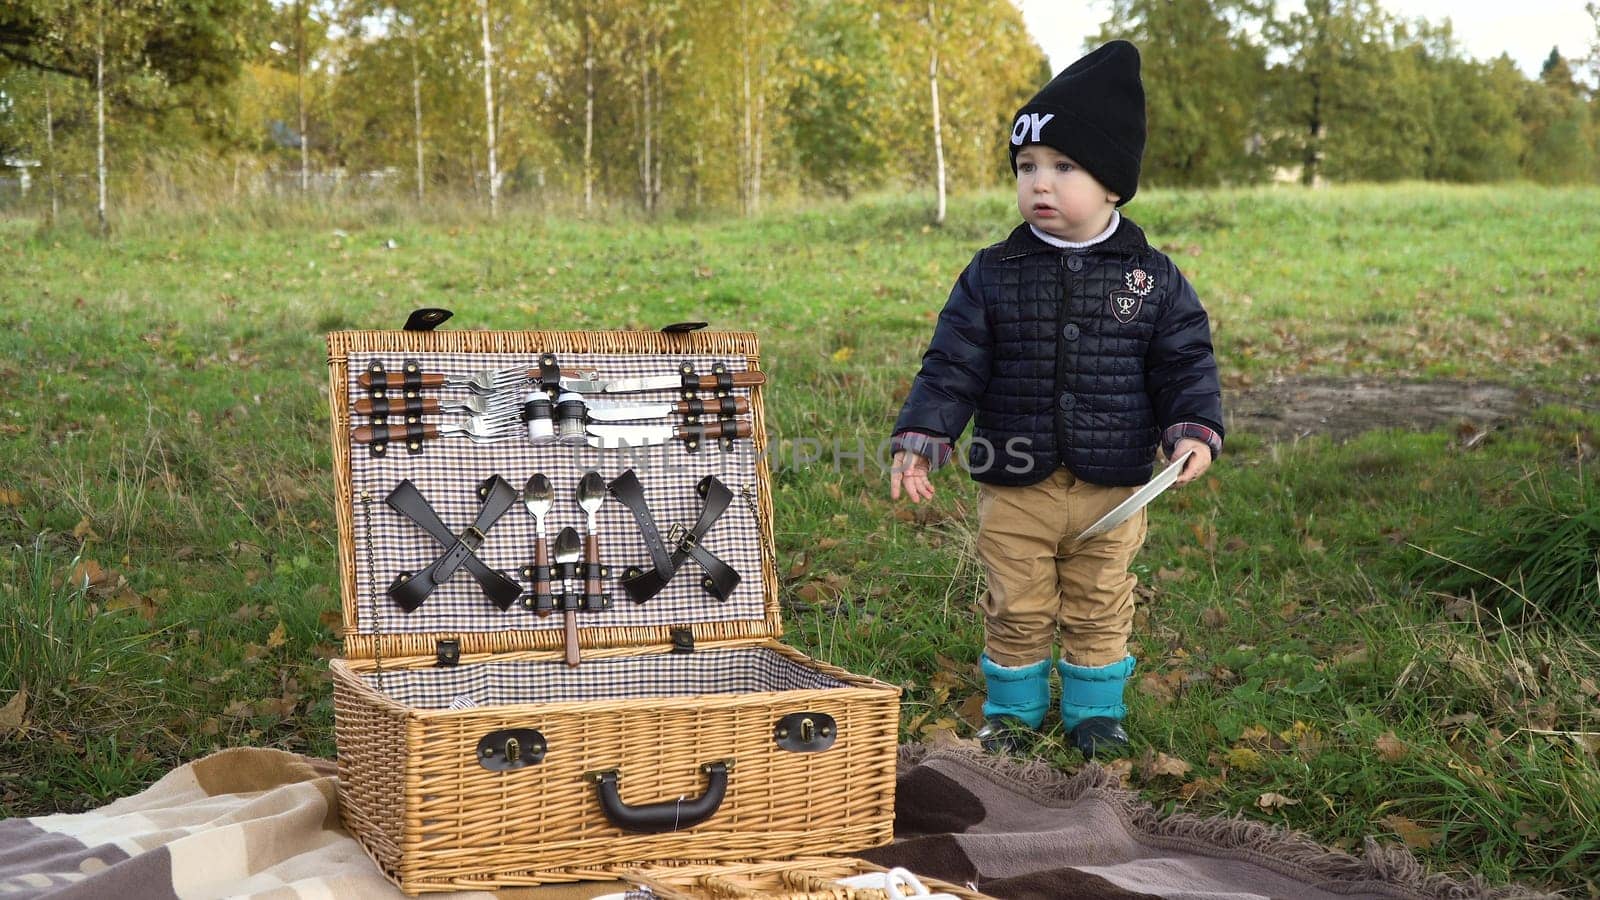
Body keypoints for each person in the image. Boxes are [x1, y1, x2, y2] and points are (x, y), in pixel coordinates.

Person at [888, 40, 1224, 758]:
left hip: (1113, 485)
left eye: (1063, 166)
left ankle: (1095, 715)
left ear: (1112, 184)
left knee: (1101, 600)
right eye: (1027, 167)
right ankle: (1012, 712)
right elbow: (952, 364)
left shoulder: (1150, 277)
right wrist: (924, 434)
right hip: (1016, 483)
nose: (1040, 182)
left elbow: (1184, 361)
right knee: (1017, 602)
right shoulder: (994, 273)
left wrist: (1191, 426)